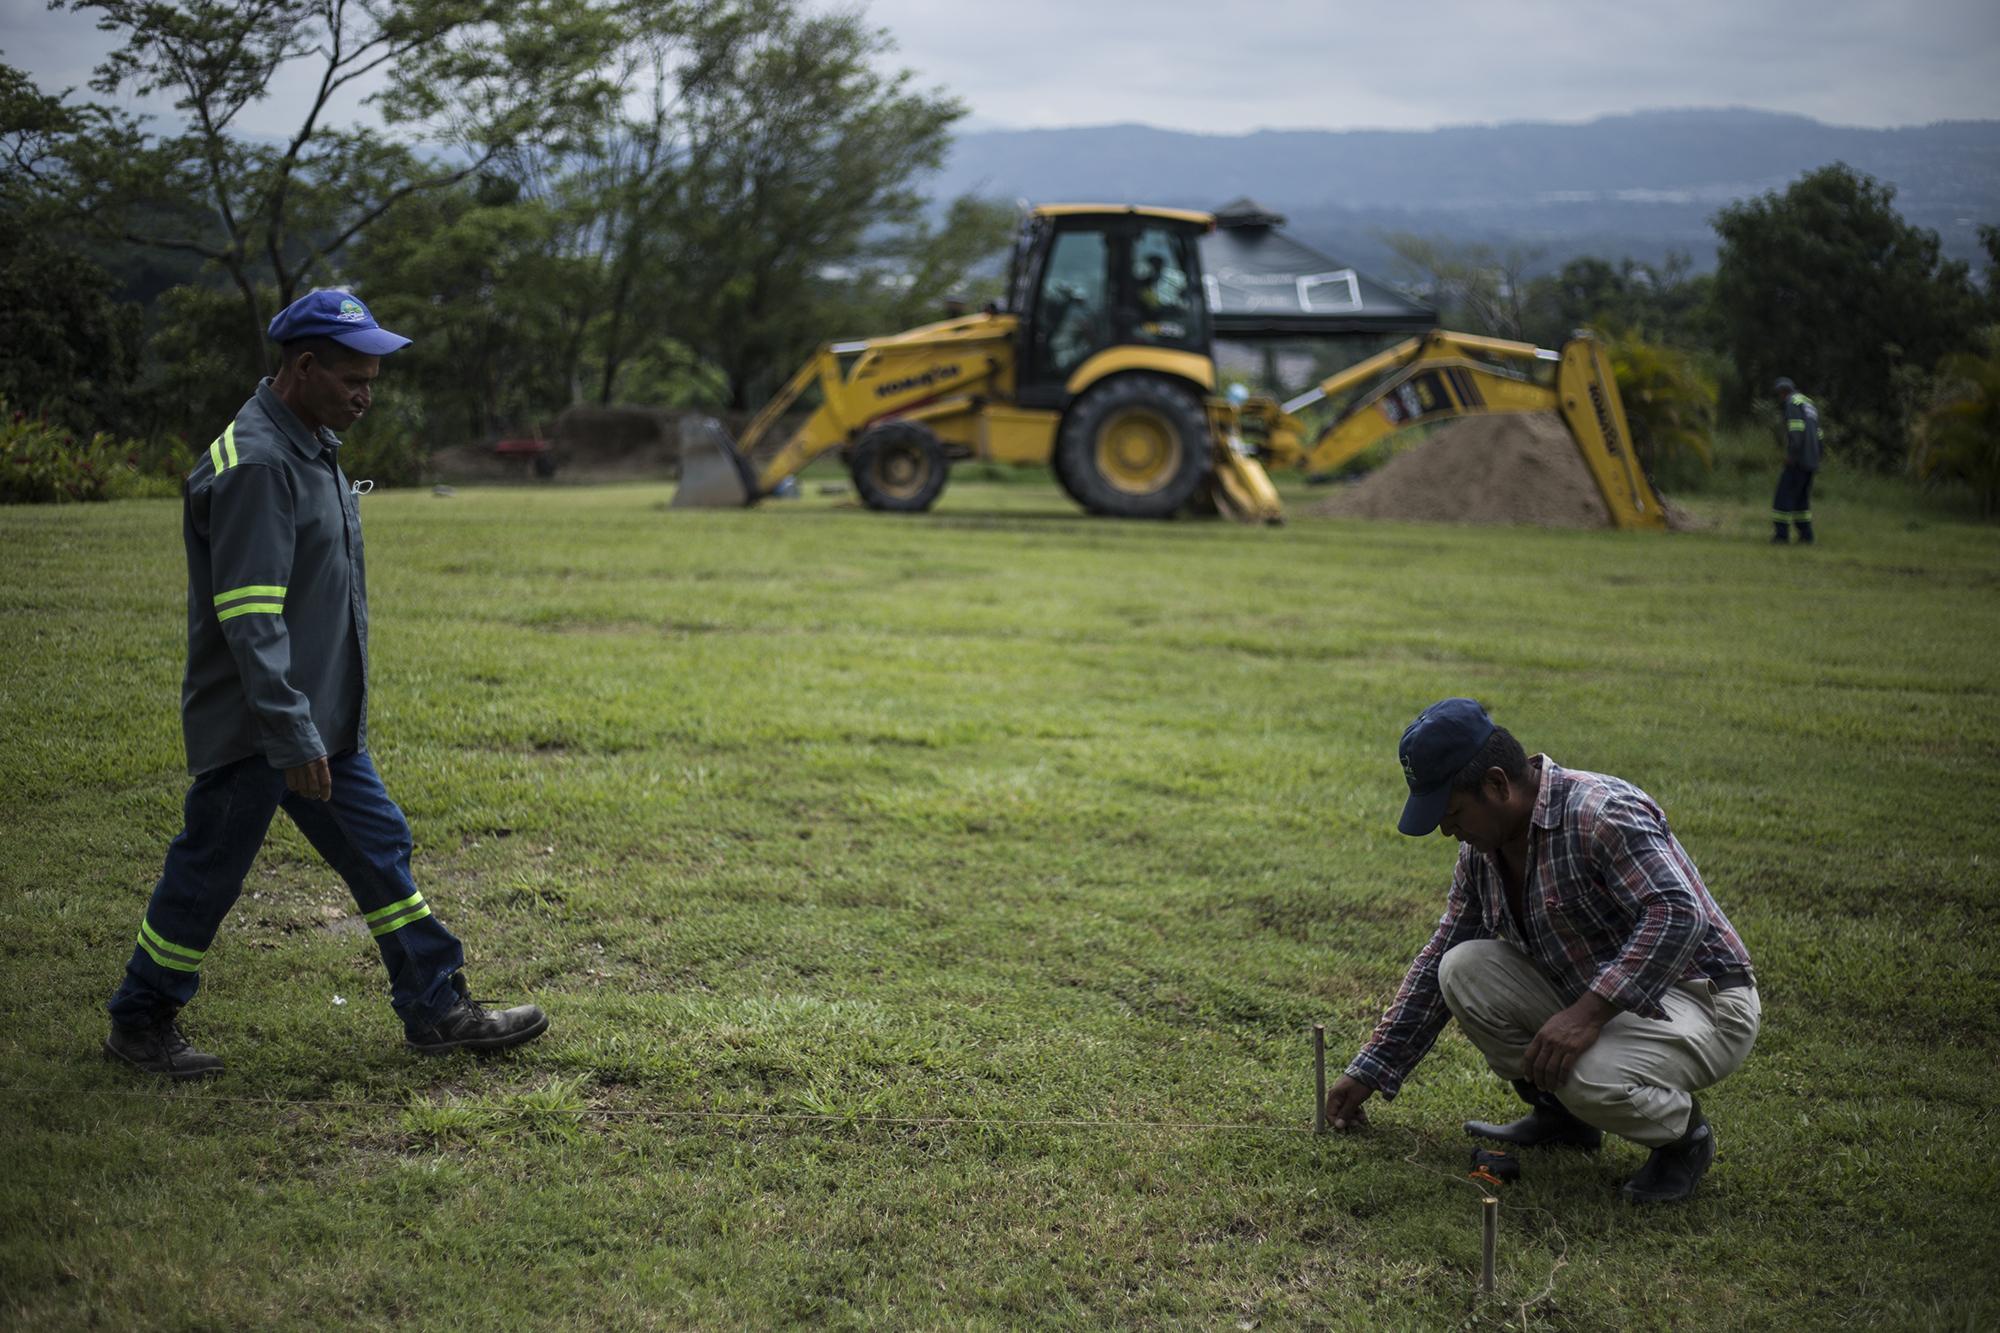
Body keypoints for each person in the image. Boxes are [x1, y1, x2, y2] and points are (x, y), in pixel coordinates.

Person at [104, 290, 549, 1078]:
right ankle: (140, 1020)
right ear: (303, 367)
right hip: (263, 728)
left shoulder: (312, 442)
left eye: (373, 378)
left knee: (381, 851)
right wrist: (291, 733)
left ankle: (437, 1006)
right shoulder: (259, 465)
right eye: (353, 379)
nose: (367, 394)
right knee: (208, 872)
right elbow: (250, 618)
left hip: (320, 722)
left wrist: (321, 726)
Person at [1322, 699, 1760, 1204]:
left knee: (1588, 1073)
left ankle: (1684, 1139)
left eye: (1453, 813)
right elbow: (1444, 947)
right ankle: (1565, 1119)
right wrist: (1371, 1069)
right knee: (1461, 966)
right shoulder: (1483, 851)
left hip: (1700, 997)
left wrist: (1588, 1014)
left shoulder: (1601, 812)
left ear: (1496, 785)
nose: (1447, 831)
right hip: (1599, 995)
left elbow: (1679, 916)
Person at [1770, 377, 1822, 544]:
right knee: (1801, 499)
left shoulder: (1792, 403)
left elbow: (1796, 431)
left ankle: (1781, 535)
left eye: (1779, 394)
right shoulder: (1808, 403)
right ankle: (1806, 536)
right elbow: (1819, 435)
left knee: (1783, 496)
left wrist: (1792, 456)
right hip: (1812, 459)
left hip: (1799, 460)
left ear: (1783, 392)